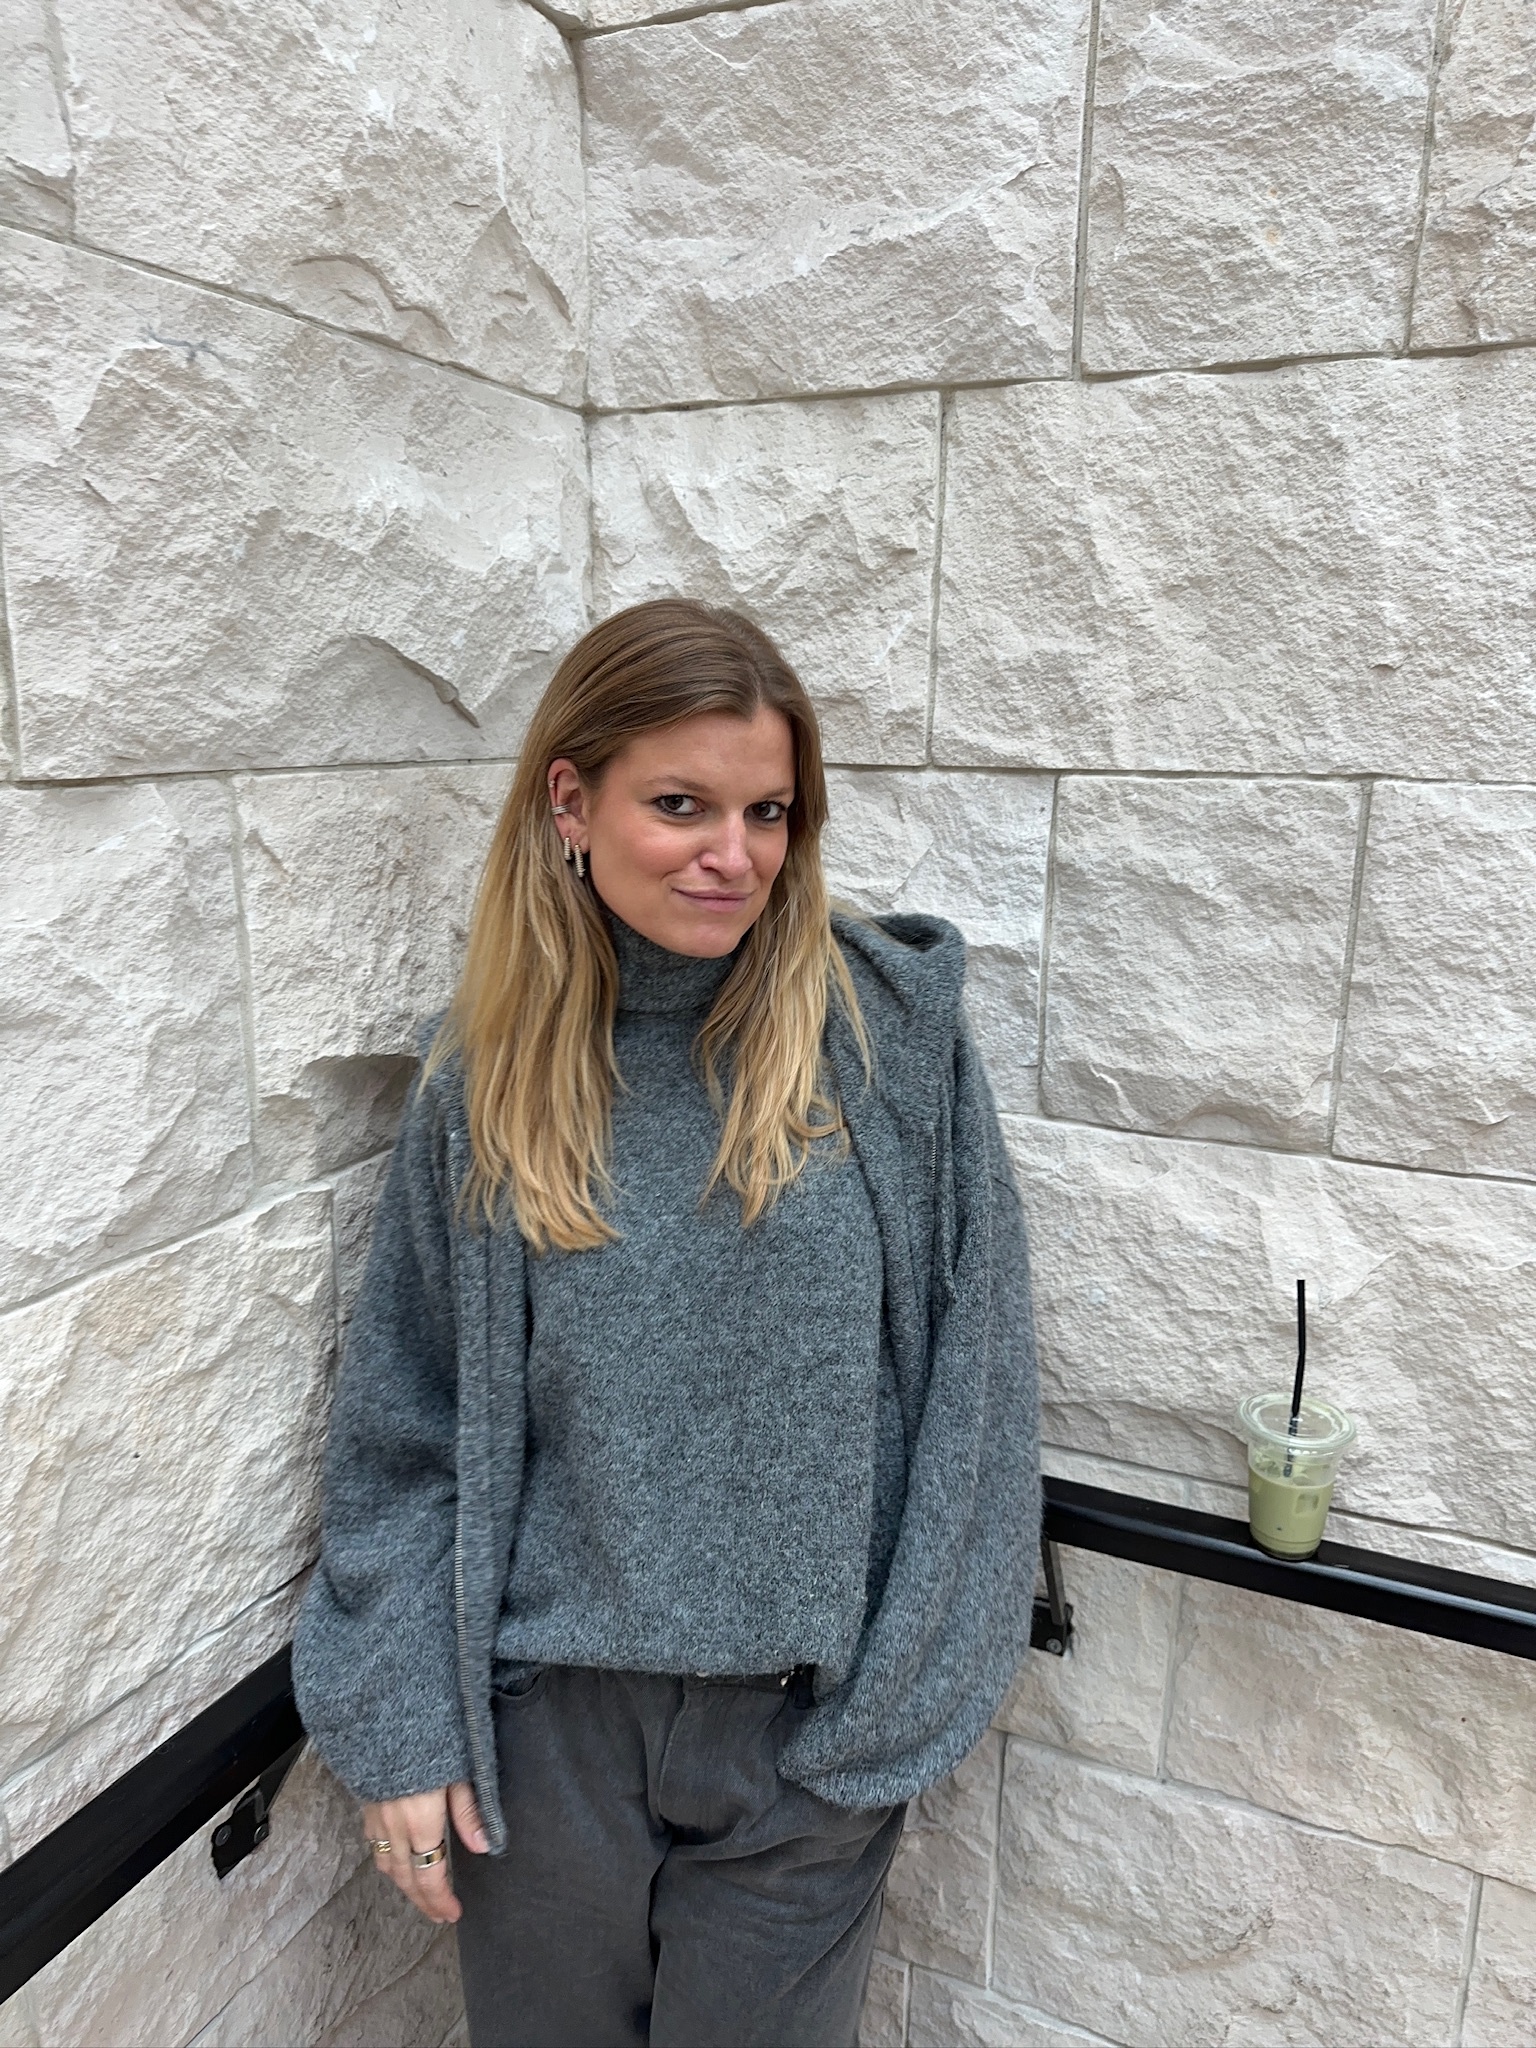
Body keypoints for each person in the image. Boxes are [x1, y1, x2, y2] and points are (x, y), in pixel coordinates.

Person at [292, 597, 1042, 2048]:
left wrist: (890, 1720)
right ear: (570, 802)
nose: (734, 855)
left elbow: (980, 1385)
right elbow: (410, 1426)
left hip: (805, 1743)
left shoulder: (885, 1042)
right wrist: (403, 1724)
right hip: (545, 1740)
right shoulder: (488, 1082)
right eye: (682, 805)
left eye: (769, 811)